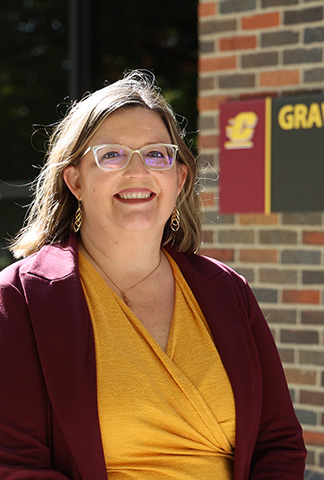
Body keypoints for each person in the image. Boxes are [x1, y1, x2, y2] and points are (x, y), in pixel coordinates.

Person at [0, 70, 306, 479]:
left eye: (156, 154)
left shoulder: (227, 290)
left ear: (179, 178)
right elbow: (16, 465)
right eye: (111, 154)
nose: (137, 172)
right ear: (74, 180)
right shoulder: (21, 299)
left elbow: (279, 443)